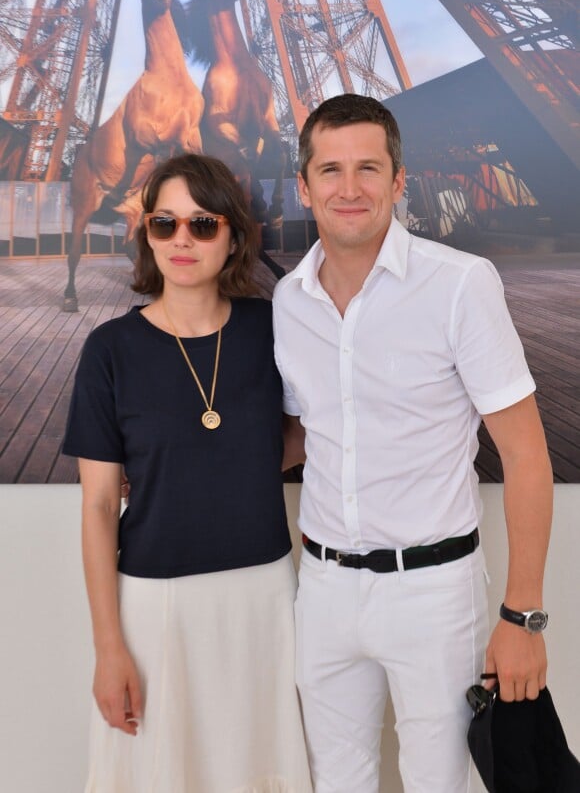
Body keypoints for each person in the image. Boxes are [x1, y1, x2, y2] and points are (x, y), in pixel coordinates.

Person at [272, 94, 553, 792]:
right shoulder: (289, 301)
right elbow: (305, 432)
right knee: (334, 781)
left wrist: (523, 617)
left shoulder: (459, 284)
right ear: (304, 185)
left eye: (368, 168)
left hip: (433, 591)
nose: (349, 188)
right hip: (325, 588)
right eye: (330, 170)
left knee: (440, 784)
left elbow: (526, 456)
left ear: (398, 180)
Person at [63, 153, 312, 793]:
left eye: (202, 224)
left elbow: (305, 435)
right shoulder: (109, 351)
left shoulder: (274, 329)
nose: (182, 239)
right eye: (164, 223)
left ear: (232, 236)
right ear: (147, 233)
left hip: (264, 595)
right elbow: (98, 507)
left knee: (260, 769)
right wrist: (108, 648)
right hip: (155, 602)